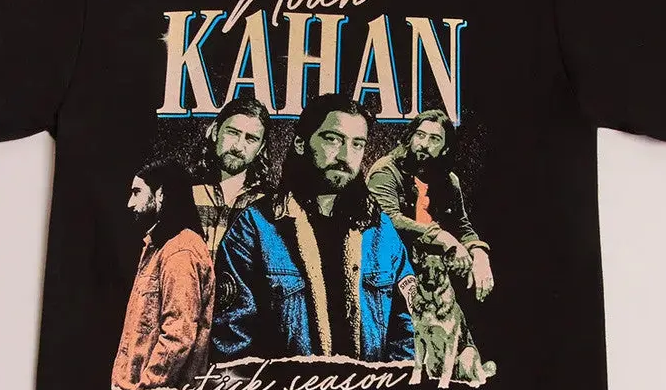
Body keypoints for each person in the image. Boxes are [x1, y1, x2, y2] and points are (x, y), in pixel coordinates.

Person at [212, 94, 416, 364]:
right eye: (333, 139)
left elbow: (408, 331)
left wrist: (389, 387)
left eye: (357, 144)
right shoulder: (256, 227)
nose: (345, 155)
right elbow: (232, 344)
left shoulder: (379, 230)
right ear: (301, 143)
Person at [366, 109, 495, 301]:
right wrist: (442, 237)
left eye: (434, 139)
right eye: (420, 135)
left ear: (445, 148)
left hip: (432, 275)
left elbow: (461, 225)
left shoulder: (449, 181)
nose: (424, 144)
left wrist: (479, 253)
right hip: (388, 273)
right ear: (410, 138)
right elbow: (388, 220)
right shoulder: (386, 171)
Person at [111, 161, 214, 390]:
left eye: (137, 192)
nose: (129, 203)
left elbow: (178, 337)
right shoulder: (161, 247)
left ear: (160, 194)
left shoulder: (181, 252)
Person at [190, 97, 271, 264]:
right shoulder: (184, 192)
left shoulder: (268, 203)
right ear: (215, 132)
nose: (238, 147)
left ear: (261, 148)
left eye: (251, 138)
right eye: (233, 132)